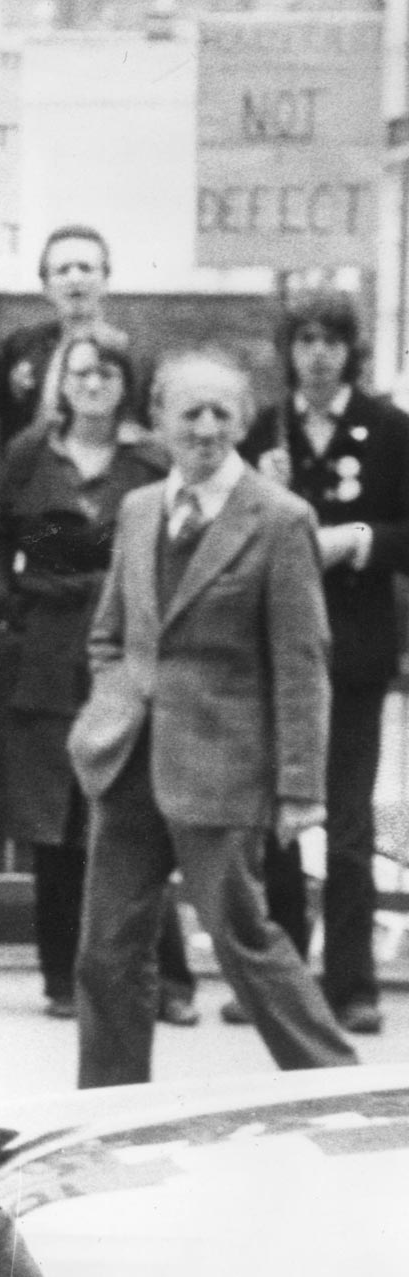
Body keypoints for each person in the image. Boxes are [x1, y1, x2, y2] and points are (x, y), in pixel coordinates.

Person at [69, 351, 357, 1087]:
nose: (204, 428)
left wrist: (300, 789)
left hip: (224, 770)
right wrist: (115, 697)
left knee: (243, 942)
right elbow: (111, 632)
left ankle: (339, 1088)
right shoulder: (138, 511)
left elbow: (302, 663)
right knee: (106, 951)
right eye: (189, 412)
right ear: (159, 420)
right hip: (127, 763)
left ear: (244, 420)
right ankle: (107, 1111)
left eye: (220, 413)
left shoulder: (281, 519)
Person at [0, 324, 198, 1023]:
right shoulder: (32, 452)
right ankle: (63, 979)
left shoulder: (154, 460)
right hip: (43, 650)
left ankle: (168, 980)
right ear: (62, 381)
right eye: (82, 373)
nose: (93, 385)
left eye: (108, 374)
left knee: (135, 813)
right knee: (53, 819)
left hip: (128, 648)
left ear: (128, 385)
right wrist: (4, 596)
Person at [234, 295, 409, 1038]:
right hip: (276, 651)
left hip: (356, 650)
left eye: (330, 340)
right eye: (303, 340)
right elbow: (236, 534)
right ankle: (278, 982)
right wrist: (264, 490)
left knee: (344, 822)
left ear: (350, 349)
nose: (317, 354)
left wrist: (358, 539)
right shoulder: (265, 429)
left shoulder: (392, 429)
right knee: (277, 817)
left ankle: (351, 984)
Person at [0, 224, 147, 443]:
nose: (74, 278)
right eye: (62, 270)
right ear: (45, 287)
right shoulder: (19, 347)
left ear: (105, 281)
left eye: (85, 268)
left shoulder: (131, 356)